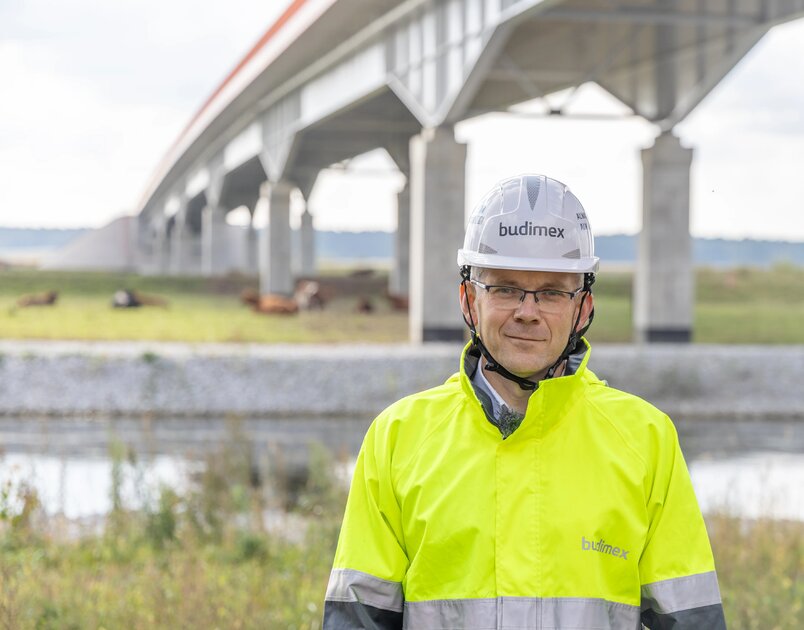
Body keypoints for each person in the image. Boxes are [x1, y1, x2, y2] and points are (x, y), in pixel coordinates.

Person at [323, 174, 725, 629]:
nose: (528, 311)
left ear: (584, 307)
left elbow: (693, 620)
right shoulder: (398, 438)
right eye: (505, 288)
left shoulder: (646, 439)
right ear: (469, 300)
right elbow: (356, 619)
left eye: (553, 291)